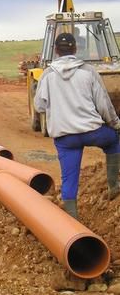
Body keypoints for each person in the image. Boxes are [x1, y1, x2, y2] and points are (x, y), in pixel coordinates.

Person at [34, 33, 120, 219]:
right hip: (93, 132)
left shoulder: (47, 75)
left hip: (66, 139)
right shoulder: (88, 71)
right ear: (75, 49)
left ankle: (72, 219)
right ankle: (113, 185)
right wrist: (115, 124)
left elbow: (39, 106)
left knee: (69, 178)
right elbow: (103, 104)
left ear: (56, 50)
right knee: (113, 141)